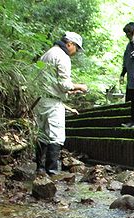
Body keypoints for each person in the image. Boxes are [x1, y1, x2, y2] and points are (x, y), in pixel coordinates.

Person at [34, 31, 88, 175]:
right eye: (76, 48)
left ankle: (39, 169)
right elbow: (64, 84)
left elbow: (51, 82)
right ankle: (52, 172)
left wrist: (68, 92)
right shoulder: (63, 57)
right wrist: (80, 86)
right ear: (69, 44)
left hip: (41, 100)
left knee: (42, 134)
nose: (75, 52)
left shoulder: (47, 54)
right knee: (56, 136)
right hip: (52, 103)